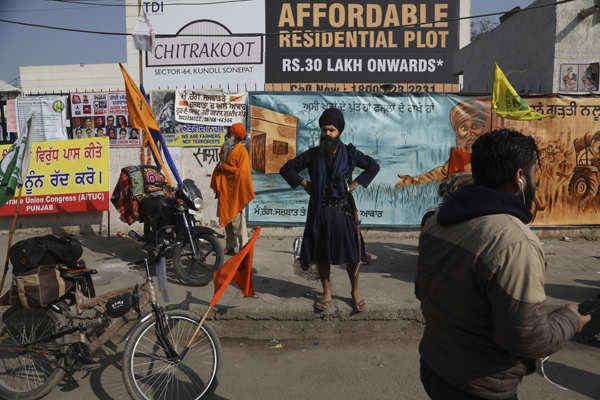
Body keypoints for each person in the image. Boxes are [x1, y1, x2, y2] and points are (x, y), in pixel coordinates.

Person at [416, 129, 591, 400]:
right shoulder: (515, 243)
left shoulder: (437, 221)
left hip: (434, 367)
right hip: (479, 386)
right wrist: (570, 319)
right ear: (520, 177)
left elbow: (422, 292)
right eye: (536, 170)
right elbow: (529, 339)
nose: (538, 178)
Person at [280, 107, 380, 313]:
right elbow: (286, 169)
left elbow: (373, 166)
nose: (327, 133)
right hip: (321, 212)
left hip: (343, 211)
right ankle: (326, 292)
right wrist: (304, 183)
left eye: (332, 130)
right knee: (322, 255)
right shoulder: (313, 155)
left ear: (339, 132)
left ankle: (355, 292)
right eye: (324, 129)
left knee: (353, 255)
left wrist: (356, 183)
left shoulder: (350, 154)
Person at [396, 99, 486, 187]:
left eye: (475, 127)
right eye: (464, 129)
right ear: (457, 132)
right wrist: (414, 181)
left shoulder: (491, 157)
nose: (470, 133)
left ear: (483, 128)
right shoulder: (456, 161)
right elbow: (436, 175)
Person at [210, 123, 255, 255]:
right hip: (225, 190)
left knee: (238, 223)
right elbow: (222, 162)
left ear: (235, 136)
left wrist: (224, 168)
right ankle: (230, 247)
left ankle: (244, 249)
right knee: (227, 221)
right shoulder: (227, 147)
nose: (227, 135)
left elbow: (241, 174)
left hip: (235, 192)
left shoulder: (242, 152)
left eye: (230, 134)